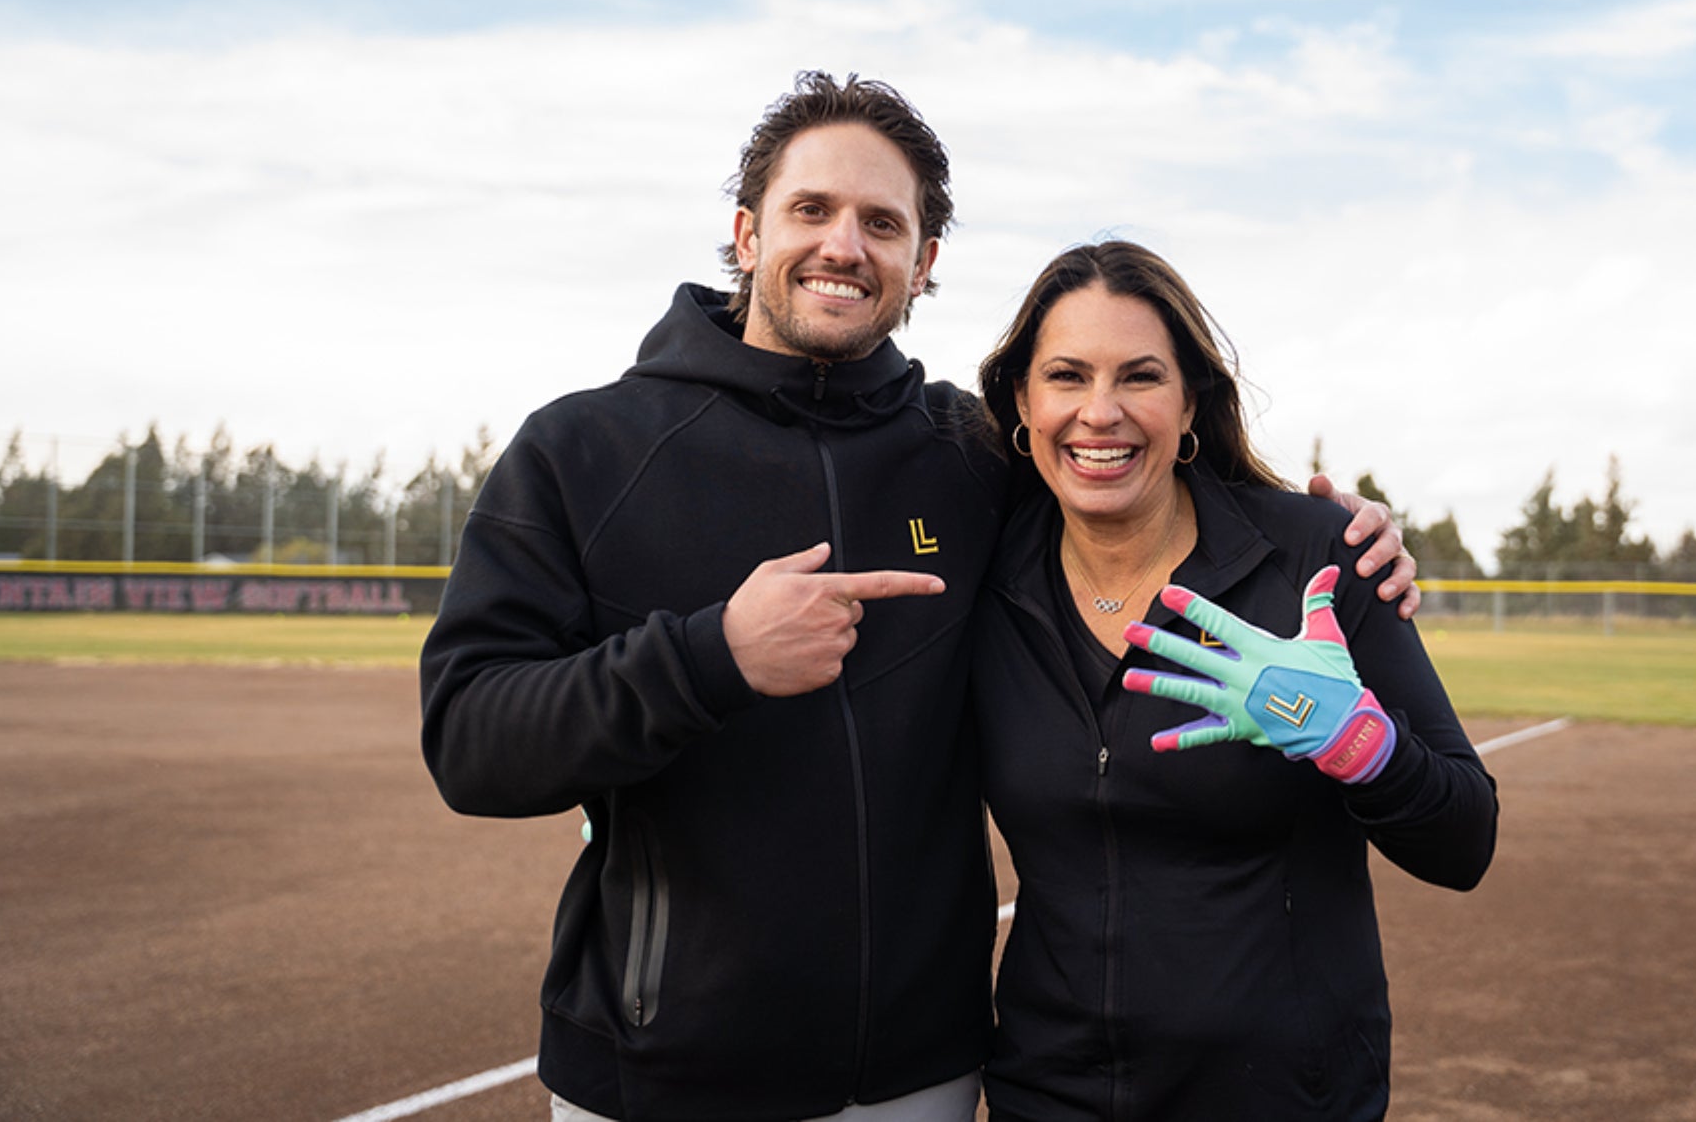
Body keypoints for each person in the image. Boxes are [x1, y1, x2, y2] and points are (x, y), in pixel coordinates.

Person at [420, 73, 1417, 1122]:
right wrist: (712, 658)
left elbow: (1129, 465)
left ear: (924, 261)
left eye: (882, 223)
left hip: (919, 1075)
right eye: (812, 209)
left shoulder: (975, 455)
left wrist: (1336, 529)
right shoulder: (581, 451)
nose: (844, 245)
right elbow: (470, 742)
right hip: (656, 1077)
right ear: (747, 234)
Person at [971, 240, 1498, 1121]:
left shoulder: (1314, 558)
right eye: (1066, 376)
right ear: (1023, 402)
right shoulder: (984, 571)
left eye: (1140, 376)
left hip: (1283, 1096)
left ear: (1190, 404)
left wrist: (1358, 744)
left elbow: (1463, 842)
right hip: (1048, 1091)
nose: (1099, 411)